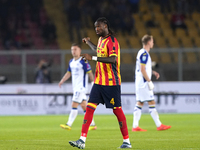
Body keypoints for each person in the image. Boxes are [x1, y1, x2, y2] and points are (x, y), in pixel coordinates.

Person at [69, 17, 132, 149]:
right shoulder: (101, 40)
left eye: (99, 26)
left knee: (117, 110)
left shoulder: (113, 41)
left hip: (111, 82)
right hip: (99, 82)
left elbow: (113, 59)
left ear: (105, 26)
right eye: (95, 27)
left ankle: (127, 141)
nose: (97, 29)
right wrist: (89, 43)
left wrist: (92, 58)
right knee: (90, 108)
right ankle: (82, 140)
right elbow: (99, 51)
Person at [132, 34, 171, 132]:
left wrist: (152, 72)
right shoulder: (144, 53)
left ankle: (135, 126)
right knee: (151, 102)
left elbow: (142, 68)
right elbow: (142, 69)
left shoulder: (141, 52)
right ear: (149, 42)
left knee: (140, 103)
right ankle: (159, 125)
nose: (153, 43)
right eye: (152, 41)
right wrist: (149, 81)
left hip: (140, 82)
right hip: (144, 83)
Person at [59, 43, 96, 131]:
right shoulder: (71, 62)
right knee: (84, 106)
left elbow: (89, 72)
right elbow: (69, 73)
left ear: (80, 51)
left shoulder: (83, 61)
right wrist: (62, 81)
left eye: (75, 49)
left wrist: (93, 83)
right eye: (72, 49)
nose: (73, 51)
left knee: (74, 104)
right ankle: (92, 124)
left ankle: (69, 124)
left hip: (81, 87)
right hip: (75, 87)